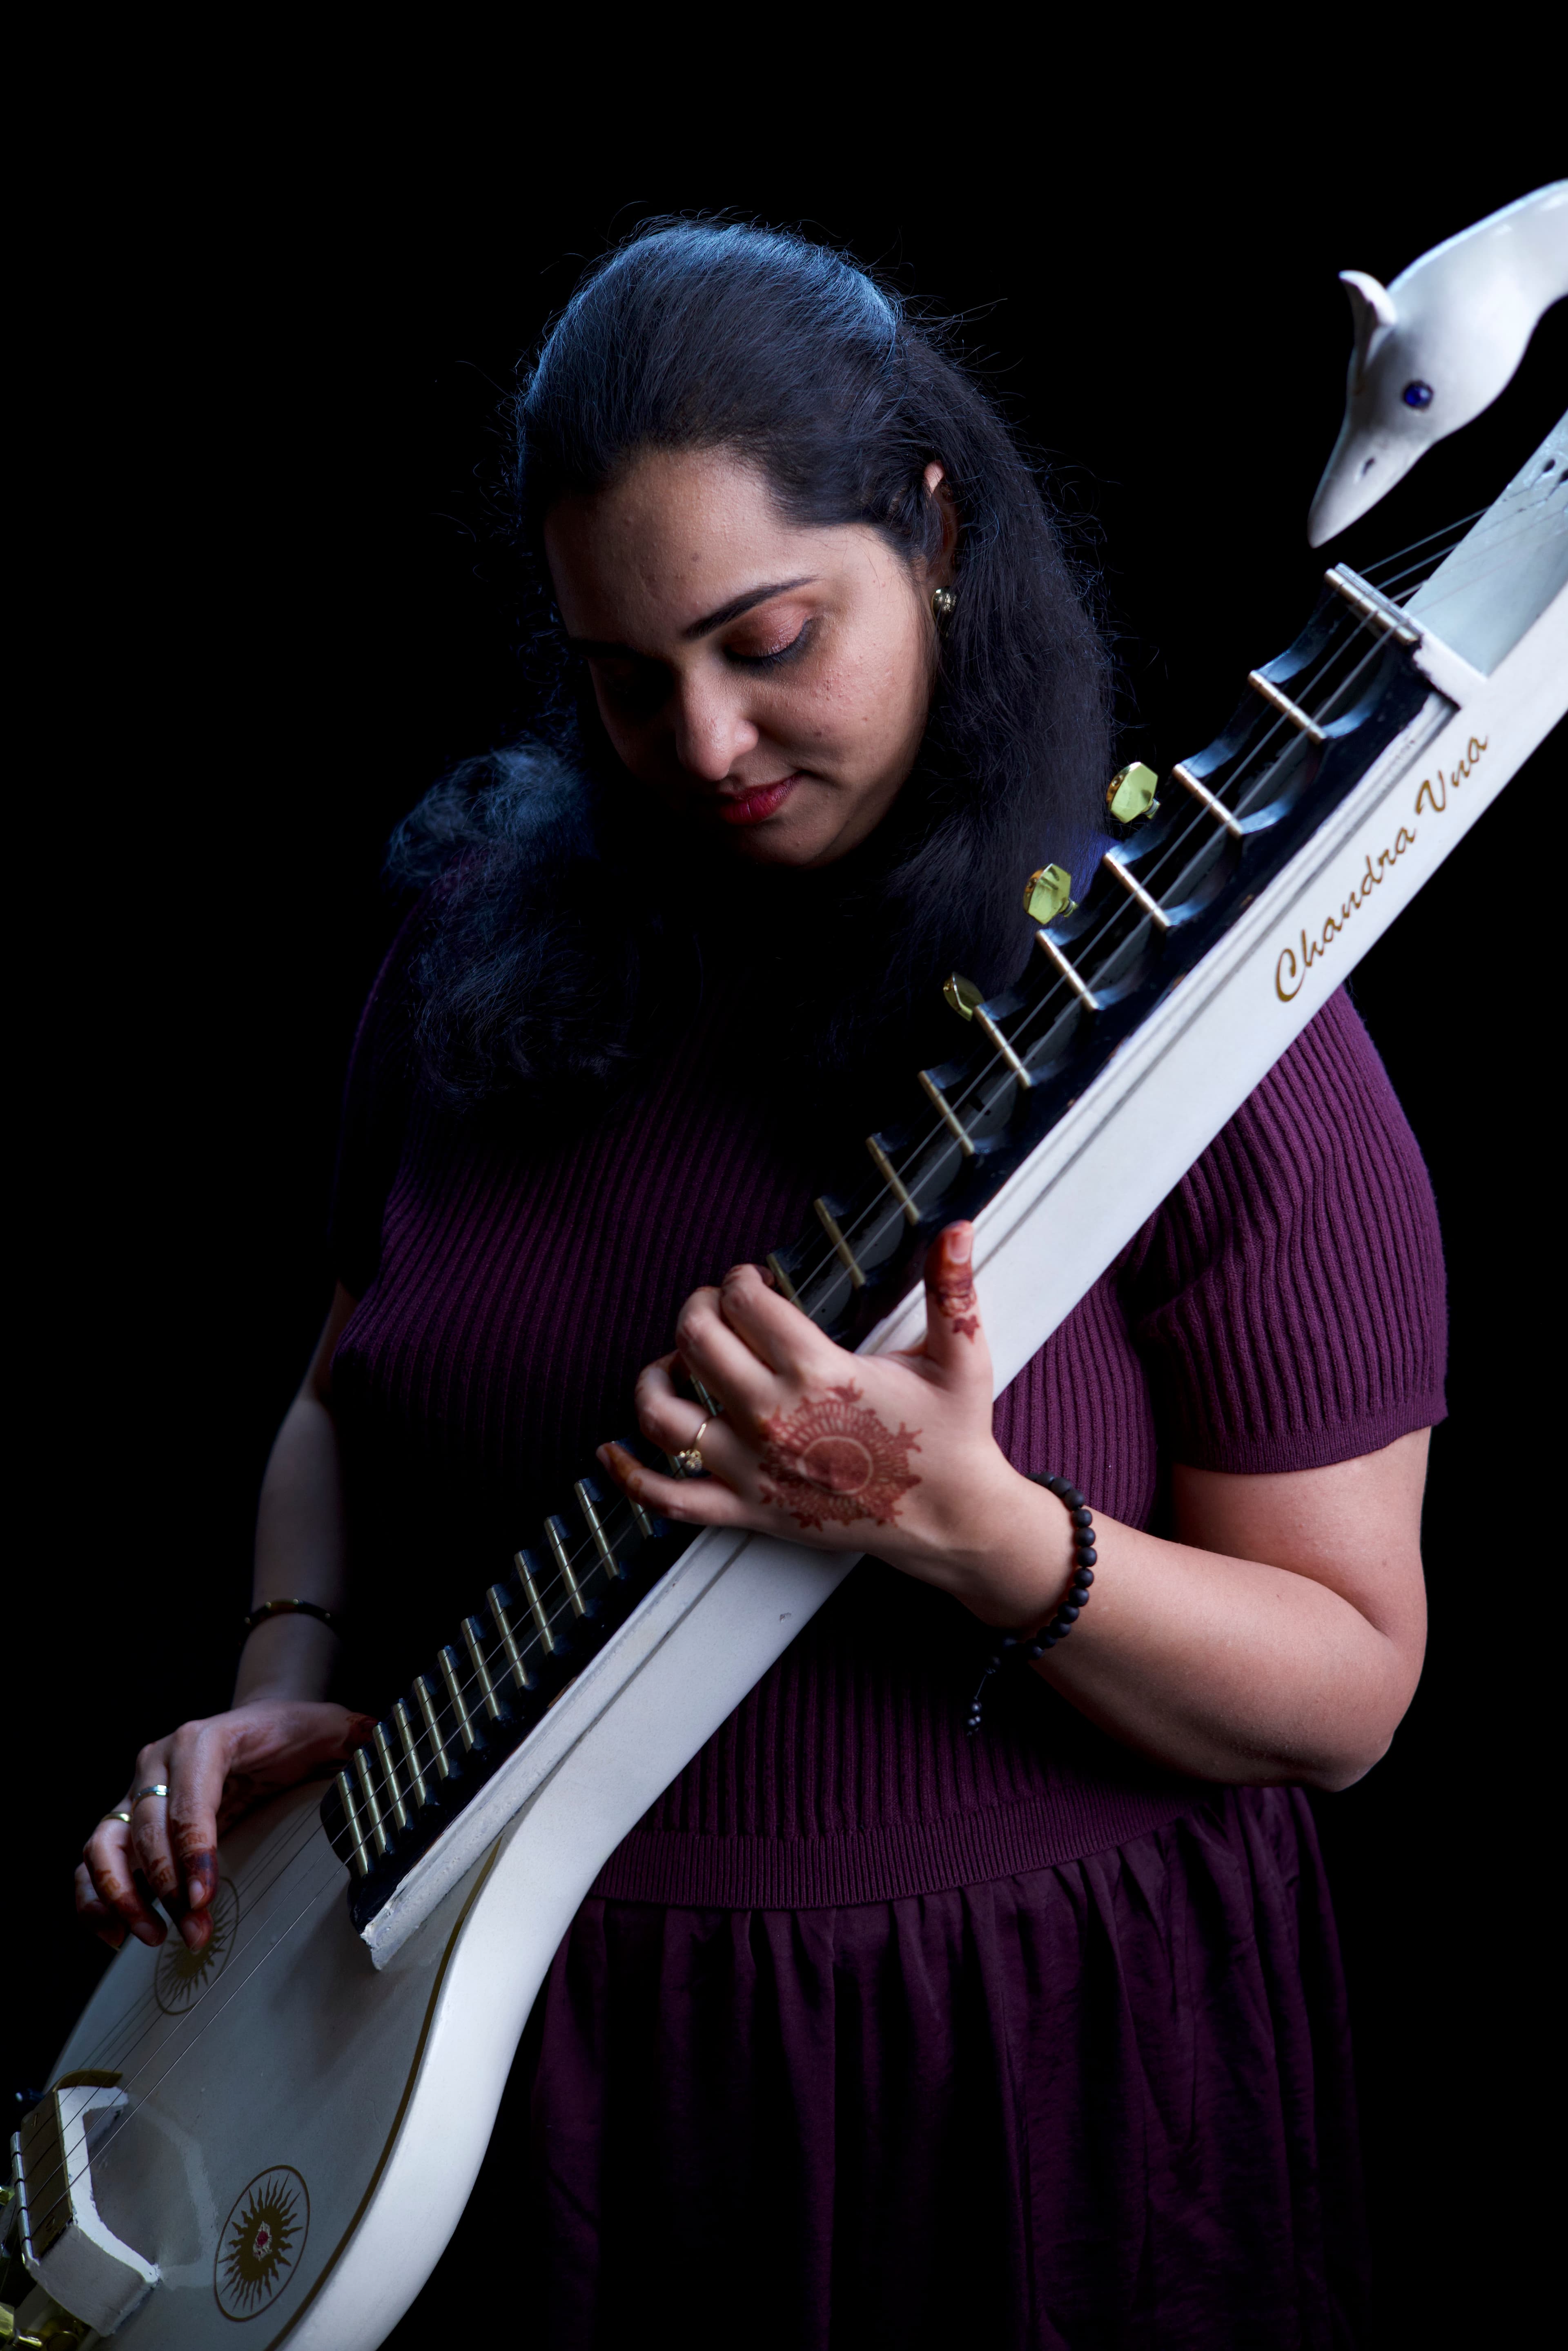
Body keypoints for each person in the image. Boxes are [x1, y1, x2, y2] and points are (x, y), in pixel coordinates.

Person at [76, 221, 1443, 2348]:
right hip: (466, 2074)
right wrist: (286, 1665)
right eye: (628, 675)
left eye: (769, 638)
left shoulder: (1210, 1027)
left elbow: (1350, 1689)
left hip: (1005, 2081)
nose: (699, 739)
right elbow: (344, 1387)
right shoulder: (476, 949)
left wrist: (969, 1530)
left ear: (928, 527)